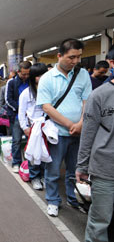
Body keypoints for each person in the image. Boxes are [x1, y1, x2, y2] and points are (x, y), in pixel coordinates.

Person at [36, 38, 92, 217]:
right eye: (71, 57)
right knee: (52, 170)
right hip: (57, 133)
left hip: (79, 132)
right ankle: (52, 200)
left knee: (75, 169)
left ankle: (73, 198)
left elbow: (87, 100)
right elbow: (46, 107)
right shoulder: (47, 78)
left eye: (79, 57)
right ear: (59, 56)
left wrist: (82, 123)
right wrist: (70, 125)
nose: (75, 61)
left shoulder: (82, 74)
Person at [76, 75, 114, 242]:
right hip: (105, 169)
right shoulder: (99, 95)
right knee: (99, 223)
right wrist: (82, 166)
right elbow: (88, 133)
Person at [18, 63, 48, 190]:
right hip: (32, 127)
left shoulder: (49, 91)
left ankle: (44, 176)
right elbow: (21, 112)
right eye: (38, 76)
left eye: (43, 75)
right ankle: (34, 177)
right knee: (33, 153)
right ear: (33, 77)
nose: (41, 78)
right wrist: (25, 127)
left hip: (47, 127)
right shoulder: (26, 93)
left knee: (45, 153)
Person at [6, 61, 32, 172]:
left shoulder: (31, 82)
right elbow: (8, 100)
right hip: (16, 116)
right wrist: (21, 109)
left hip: (30, 117)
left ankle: (30, 164)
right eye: (23, 74)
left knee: (30, 141)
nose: (26, 76)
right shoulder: (11, 83)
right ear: (18, 72)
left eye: (28, 74)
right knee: (16, 141)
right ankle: (16, 162)